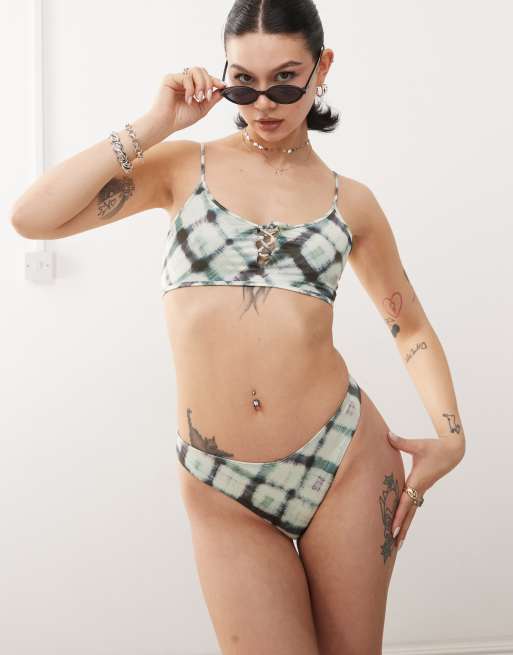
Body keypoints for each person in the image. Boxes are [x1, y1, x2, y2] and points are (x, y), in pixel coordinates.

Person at [10, 1, 466, 653]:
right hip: (221, 485)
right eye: (243, 83)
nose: (264, 104)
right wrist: (156, 122)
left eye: (285, 80)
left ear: (321, 68)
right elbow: (33, 217)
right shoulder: (180, 168)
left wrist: (451, 437)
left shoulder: (352, 203)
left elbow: (409, 325)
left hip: (344, 463)